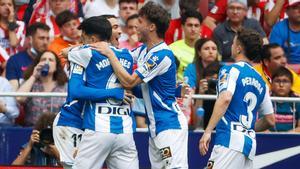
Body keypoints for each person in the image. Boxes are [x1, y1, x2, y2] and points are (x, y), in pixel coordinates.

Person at [92, 2, 188, 168]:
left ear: (151, 27)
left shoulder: (162, 55)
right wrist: (82, 48)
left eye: (141, 22)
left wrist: (108, 52)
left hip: (170, 125)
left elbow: (129, 80)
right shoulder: (143, 50)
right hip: (155, 126)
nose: (136, 26)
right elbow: (122, 56)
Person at [66, 16, 139, 169]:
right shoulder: (127, 55)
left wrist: (70, 51)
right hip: (125, 131)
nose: (81, 41)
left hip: (98, 128)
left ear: (91, 38)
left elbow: (74, 91)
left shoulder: (85, 52)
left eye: (82, 37)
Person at [199, 28, 275, 169]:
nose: (231, 46)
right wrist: (247, 128)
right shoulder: (261, 81)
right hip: (249, 145)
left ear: (239, 49)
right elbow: (270, 120)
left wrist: (208, 130)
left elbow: (225, 98)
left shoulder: (230, 70)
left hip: (229, 140)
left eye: (233, 43)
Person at [16, 51, 67, 126]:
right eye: (43, 59)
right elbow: (19, 98)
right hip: (32, 129)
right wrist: (33, 76)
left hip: (58, 130)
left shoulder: (64, 85)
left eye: (50, 60)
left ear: (56, 67)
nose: (46, 62)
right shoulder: (31, 83)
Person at [183, 38, 221, 129]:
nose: (211, 51)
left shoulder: (223, 68)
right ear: (199, 52)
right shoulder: (191, 68)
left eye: (214, 49)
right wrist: (200, 91)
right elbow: (188, 93)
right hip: (196, 105)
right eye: (206, 48)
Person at [6, 22, 50, 91]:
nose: (45, 42)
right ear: (30, 39)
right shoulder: (15, 61)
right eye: (41, 38)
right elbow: (13, 92)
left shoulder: (51, 60)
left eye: (47, 39)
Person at [169, 9, 203, 81]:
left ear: (201, 28)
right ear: (182, 27)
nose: (193, 29)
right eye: (190, 25)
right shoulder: (172, 49)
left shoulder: (208, 49)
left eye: (196, 26)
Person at [270, 66, 300, 132]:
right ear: (271, 84)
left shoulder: (297, 102)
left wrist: (286, 136)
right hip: (268, 139)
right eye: (277, 81)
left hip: (292, 139)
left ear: (291, 84)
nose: (281, 85)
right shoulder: (265, 101)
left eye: (285, 81)